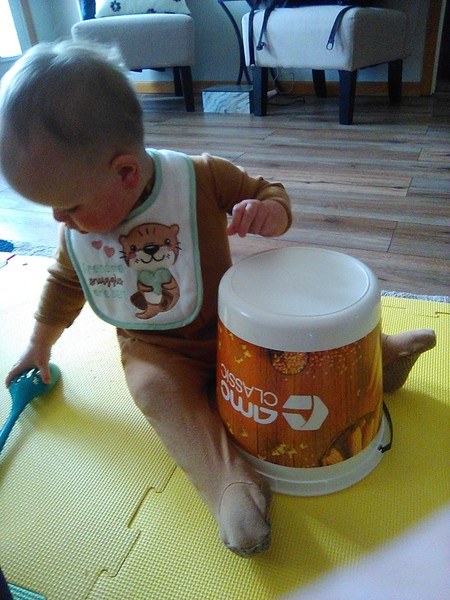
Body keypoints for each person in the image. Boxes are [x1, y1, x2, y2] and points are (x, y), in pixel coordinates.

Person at [0, 41, 436, 557]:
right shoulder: (78, 234)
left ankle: (376, 360)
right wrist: (39, 345)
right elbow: (64, 285)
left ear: (125, 173)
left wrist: (269, 213)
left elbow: (270, 191)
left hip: (232, 327)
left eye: (68, 206)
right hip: (156, 350)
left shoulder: (200, 177)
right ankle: (228, 484)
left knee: (292, 323)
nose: (59, 220)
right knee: (155, 392)